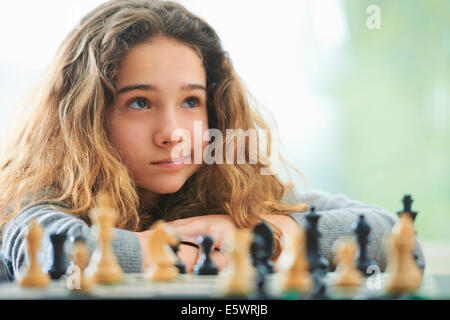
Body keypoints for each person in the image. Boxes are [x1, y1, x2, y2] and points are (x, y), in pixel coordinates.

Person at [0, 0, 424, 280]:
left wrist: (263, 234)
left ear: (215, 110)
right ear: (87, 117)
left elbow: (394, 238)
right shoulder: (41, 198)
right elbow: (54, 256)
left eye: (190, 101)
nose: (172, 134)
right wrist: (215, 252)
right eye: (140, 103)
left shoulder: (231, 191)